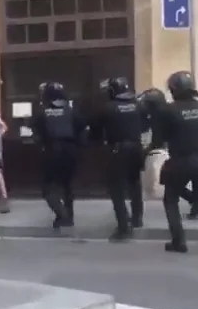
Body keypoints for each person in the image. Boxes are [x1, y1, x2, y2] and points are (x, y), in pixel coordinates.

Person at [156, 71, 198, 253]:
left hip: (179, 160)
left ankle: (179, 241)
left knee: (170, 200)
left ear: (174, 89)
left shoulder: (168, 110)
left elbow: (160, 138)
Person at [93, 78, 145, 241]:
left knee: (117, 189)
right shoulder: (138, 105)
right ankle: (137, 218)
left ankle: (124, 227)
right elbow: (145, 125)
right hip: (137, 147)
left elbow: (96, 130)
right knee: (135, 183)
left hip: (119, 149)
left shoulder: (108, 108)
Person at [30, 82, 84, 231]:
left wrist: (40, 147)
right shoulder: (71, 110)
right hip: (70, 150)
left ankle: (62, 214)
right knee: (67, 185)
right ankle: (69, 217)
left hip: (52, 150)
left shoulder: (42, 111)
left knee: (48, 188)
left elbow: (35, 133)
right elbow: (82, 129)